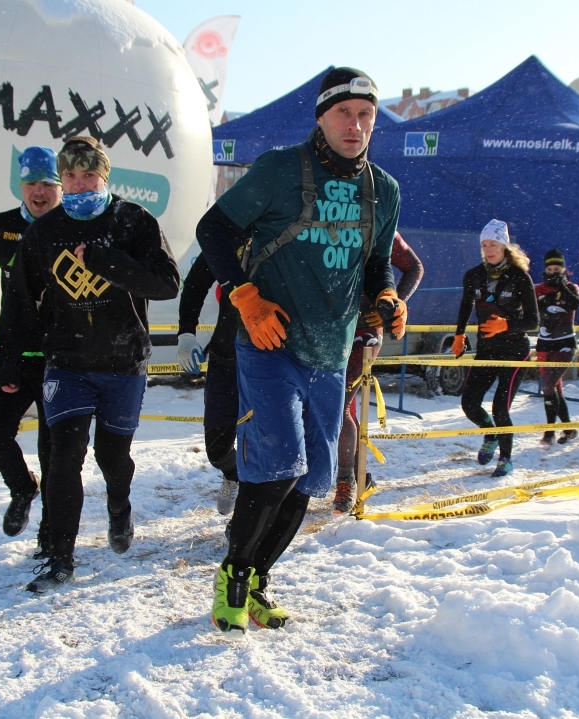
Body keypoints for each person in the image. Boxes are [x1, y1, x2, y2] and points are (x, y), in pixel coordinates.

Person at [196, 67, 403, 633]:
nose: (355, 125)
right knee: (277, 466)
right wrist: (244, 295)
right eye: (344, 113)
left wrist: (386, 296)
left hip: (331, 353)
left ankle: (257, 581)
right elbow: (213, 229)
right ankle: (232, 578)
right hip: (270, 344)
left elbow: (378, 263)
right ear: (322, 116)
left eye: (366, 115)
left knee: (309, 479)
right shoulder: (280, 169)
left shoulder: (383, 190)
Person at [0, 136, 181, 592]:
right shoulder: (44, 232)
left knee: (112, 458)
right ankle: (60, 557)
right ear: (61, 179)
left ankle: (119, 507)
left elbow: (166, 285)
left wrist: (109, 262)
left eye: (89, 176)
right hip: (67, 362)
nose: (80, 185)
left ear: (105, 176)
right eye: (71, 176)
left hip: (124, 360)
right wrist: (7, 362)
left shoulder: (133, 220)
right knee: (64, 457)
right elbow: (19, 303)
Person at [0, 146, 62, 555]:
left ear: (61, 186)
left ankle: (50, 534)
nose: (39, 192)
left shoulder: (74, 227)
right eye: (31, 183)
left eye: (47, 183)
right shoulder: (1, 227)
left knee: (54, 453)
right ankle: (22, 487)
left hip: (61, 358)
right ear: (20, 186)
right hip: (13, 353)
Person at [333, 231, 423, 513]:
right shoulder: (318, 216)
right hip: (327, 327)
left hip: (364, 330)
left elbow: (414, 267)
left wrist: (396, 304)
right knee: (324, 406)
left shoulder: (380, 226)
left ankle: (346, 482)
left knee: (339, 406)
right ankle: (360, 477)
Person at [452, 219, 538, 477]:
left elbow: (533, 321)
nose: (488, 250)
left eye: (494, 244)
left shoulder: (519, 277)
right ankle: (490, 434)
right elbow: (466, 305)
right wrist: (459, 334)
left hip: (515, 352)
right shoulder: (474, 275)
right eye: (485, 245)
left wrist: (506, 325)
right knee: (469, 403)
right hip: (487, 350)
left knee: (501, 408)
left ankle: (506, 458)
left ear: (504, 246)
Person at [177, 237, 250, 516]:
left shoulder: (288, 227)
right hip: (225, 357)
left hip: (272, 360)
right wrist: (186, 333)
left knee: (263, 448)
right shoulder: (227, 233)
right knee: (217, 449)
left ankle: (248, 521)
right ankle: (234, 476)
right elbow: (195, 284)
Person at [534, 249, 579, 446]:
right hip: (544, 343)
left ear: (564, 269)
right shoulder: (538, 289)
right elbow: (528, 310)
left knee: (548, 386)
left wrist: (562, 286)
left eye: (557, 268)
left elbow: (575, 304)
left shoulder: (571, 287)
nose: (553, 272)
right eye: (550, 269)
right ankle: (569, 429)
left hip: (565, 344)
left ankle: (549, 432)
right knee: (554, 389)